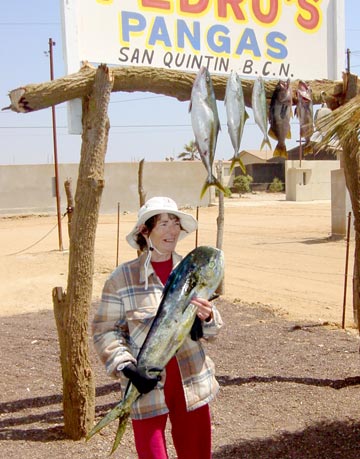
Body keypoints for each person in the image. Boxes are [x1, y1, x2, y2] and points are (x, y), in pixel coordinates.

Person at [92, 196, 223, 459]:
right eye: (163, 224)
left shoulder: (192, 269)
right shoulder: (121, 278)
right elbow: (105, 330)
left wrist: (207, 319)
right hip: (146, 390)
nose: (172, 231)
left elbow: (214, 328)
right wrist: (127, 367)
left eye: (175, 223)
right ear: (145, 230)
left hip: (192, 385)